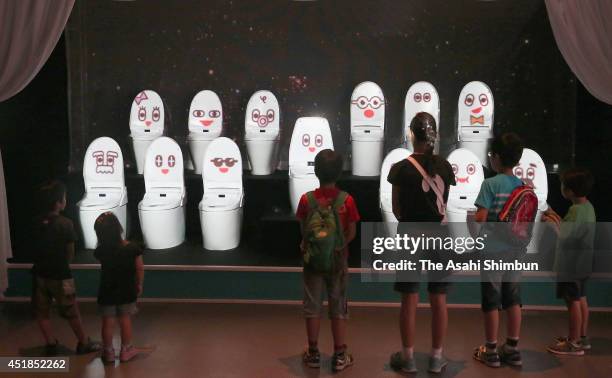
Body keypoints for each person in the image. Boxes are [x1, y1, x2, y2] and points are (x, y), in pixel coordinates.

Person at [387, 112, 456, 374]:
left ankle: (408, 358)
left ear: (411, 135)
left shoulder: (401, 168)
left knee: (409, 298)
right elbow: (444, 204)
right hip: (440, 235)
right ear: (435, 136)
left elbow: (396, 209)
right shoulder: (445, 167)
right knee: (439, 298)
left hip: (411, 235)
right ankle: (437, 358)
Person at [296, 149, 360, 372]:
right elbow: (351, 232)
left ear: (315, 171)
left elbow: (304, 229)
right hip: (338, 261)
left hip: (312, 261)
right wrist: (340, 245)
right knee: (338, 307)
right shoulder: (347, 200)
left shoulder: (307, 200)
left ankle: (313, 353)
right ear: (340, 173)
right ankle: (340, 355)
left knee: (312, 306)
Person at [472, 132, 525, 368]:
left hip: (493, 251)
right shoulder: (522, 186)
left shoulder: (490, 184)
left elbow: (481, 217)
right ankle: (512, 348)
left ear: (496, 158)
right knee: (513, 299)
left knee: (491, 300)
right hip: (516, 250)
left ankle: (491, 350)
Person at [30, 180, 101, 356]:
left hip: (39, 273)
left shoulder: (35, 221)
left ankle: (51, 343)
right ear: (59, 202)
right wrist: (64, 263)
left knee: (42, 311)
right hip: (62, 275)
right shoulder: (66, 223)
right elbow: (70, 250)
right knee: (71, 310)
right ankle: (83, 342)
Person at [543, 168, 595, 355]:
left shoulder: (575, 210)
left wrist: (550, 225)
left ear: (570, 191)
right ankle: (581, 337)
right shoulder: (586, 208)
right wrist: (552, 214)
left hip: (571, 266)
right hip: (583, 265)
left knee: (572, 302)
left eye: (563, 185)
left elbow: (564, 236)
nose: (561, 188)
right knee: (581, 299)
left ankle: (573, 343)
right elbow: (569, 228)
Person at [94, 212, 145, 363]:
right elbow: (139, 268)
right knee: (125, 320)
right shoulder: (133, 248)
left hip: (107, 290)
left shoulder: (100, 251)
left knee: (107, 322)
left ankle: (108, 351)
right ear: (119, 229)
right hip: (127, 290)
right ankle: (126, 350)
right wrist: (139, 284)